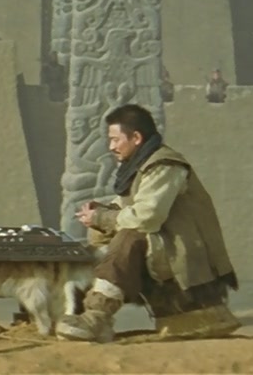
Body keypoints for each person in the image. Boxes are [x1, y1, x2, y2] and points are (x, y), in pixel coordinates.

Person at [58, 104, 240, 343]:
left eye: (115, 139)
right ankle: (84, 314)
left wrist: (103, 217)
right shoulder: (141, 166)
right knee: (103, 236)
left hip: (183, 255)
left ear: (136, 138)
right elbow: (128, 205)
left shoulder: (165, 166)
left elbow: (147, 217)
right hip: (164, 248)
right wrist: (101, 213)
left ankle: (97, 316)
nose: (111, 146)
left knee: (130, 237)